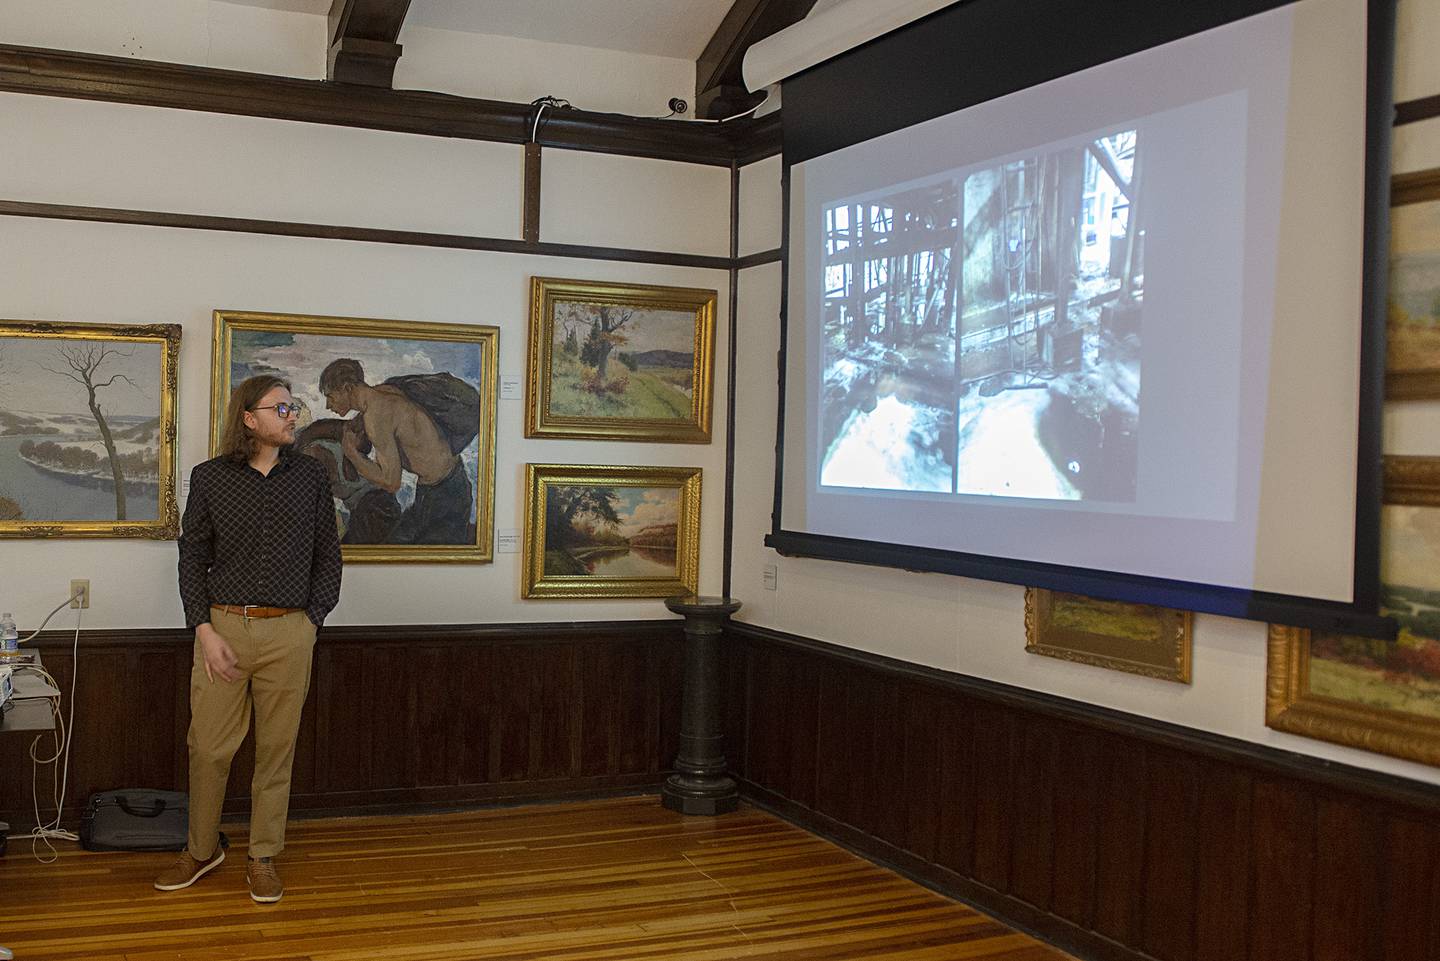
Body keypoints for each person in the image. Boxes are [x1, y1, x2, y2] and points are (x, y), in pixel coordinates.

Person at [156, 374, 342, 904]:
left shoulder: (310, 476)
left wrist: (312, 621)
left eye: (293, 408)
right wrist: (204, 628)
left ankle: (263, 857)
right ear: (249, 417)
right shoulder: (211, 477)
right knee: (209, 748)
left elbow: (328, 555)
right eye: (281, 408)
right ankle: (200, 850)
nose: (291, 416)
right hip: (223, 631)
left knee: (275, 753)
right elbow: (192, 556)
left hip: (290, 631)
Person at [318, 358, 472, 544]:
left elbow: (391, 482)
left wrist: (351, 453)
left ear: (347, 388)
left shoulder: (376, 415)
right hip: (436, 490)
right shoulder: (384, 392)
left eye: (330, 396)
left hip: (446, 497)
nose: (328, 405)